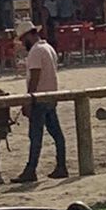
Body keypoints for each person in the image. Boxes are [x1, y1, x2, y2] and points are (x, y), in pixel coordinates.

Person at [11, 23, 68, 184]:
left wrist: (28, 100)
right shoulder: (48, 48)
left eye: (23, 40)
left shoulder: (36, 51)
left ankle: (31, 170)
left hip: (40, 98)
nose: (23, 44)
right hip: (51, 96)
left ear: (29, 36)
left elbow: (35, 77)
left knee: (35, 136)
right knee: (56, 133)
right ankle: (61, 165)